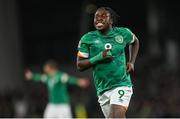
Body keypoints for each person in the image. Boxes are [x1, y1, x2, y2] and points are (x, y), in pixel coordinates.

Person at [76, 7, 139, 118]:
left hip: (121, 84)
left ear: (111, 20)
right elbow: (79, 65)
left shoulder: (123, 33)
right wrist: (99, 57)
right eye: (96, 17)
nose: (99, 19)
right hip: (103, 89)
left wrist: (131, 61)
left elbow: (135, 42)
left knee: (116, 115)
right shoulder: (87, 39)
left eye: (103, 16)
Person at [24, 60, 89, 118]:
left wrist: (79, 82)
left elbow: (69, 79)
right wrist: (32, 76)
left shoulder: (60, 76)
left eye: (45, 67)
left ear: (51, 68)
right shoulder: (48, 77)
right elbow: (40, 77)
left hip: (62, 105)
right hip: (52, 104)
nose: (44, 68)